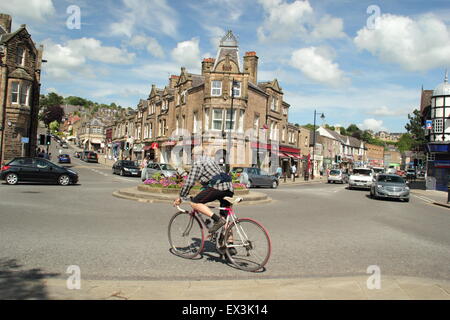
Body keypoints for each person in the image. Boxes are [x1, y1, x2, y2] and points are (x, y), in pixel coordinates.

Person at [173, 147, 234, 235]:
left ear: (194, 155)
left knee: (194, 203)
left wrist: (181, 197)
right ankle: (229, 244)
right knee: (224, 217)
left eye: (192, 155)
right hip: (229, 187)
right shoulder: (212, 161)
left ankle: (217, 220)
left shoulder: (198, 163)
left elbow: (189, 182)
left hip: (218, 187)